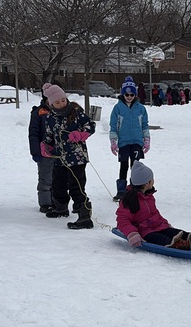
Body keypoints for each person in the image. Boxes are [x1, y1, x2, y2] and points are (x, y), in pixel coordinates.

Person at [117, 161, 191, 250]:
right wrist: (132, 233)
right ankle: (182, 245)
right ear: (147, 183)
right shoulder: (129, 200)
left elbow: (155, 214)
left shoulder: (149, 196)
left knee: (178, 233)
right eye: (152, 179)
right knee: (163, 239)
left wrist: (164, 223)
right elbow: (122, 220)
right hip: (146, 232)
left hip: (159, 226)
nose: (153, 181)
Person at [39, 82, 96, 229]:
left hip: (77, 158)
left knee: (76, 186)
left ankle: (84, 215)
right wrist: (46, 145)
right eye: (57, 102)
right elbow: (49, 135)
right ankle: (61, 207)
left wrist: (81, 134)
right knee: (58, 185)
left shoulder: (76, 112)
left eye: (63, 100)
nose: (61, 104)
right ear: (51, 104)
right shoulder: (50, 117)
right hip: (59, 158)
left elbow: (90, 125)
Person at [110, 76, 150, 201]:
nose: (129, 97)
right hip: (124, 142)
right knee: (124, 165)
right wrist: (113, 141)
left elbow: (145, 125)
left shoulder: (141, 108)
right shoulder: (118, 108)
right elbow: (113, 126)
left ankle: (135, 190)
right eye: (126, 94)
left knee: (135, 166)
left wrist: (146, 139)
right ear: (123, 94)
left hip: (137, 142)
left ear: (135, 95)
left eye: (132, 94)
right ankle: (121, 191)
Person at [28, 88, 54, 213]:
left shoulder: (62, 111)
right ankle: (45, 203)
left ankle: (57, 201)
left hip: (59, 152)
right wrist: (35, 152)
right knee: (45, 178)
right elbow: (33, 134)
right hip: (44, 153)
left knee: (59, 178)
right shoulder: (38, 113)